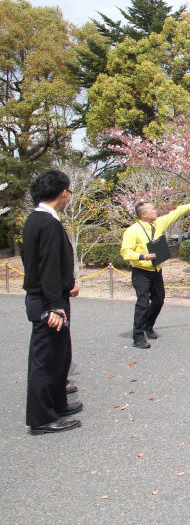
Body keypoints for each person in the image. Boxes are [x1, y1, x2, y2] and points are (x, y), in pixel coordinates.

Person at [22, 170, 81, 435]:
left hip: (50, 297)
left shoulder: (37, 219)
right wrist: (56, 305)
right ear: (62, 193)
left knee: (59, 356)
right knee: (45, 360)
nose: (69, 197)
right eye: (69, 191)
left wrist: (67, 286)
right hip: (47, 302)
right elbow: (47, 269)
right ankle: (41, 418)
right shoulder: (47, 223)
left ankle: (57, 403)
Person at [121, 196, 190, 349]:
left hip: (156, 270)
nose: (155, 211)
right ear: (144, 214)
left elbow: (175, 214)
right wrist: (142, 256)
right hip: (141, 271)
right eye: (152, 209)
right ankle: (138, 336)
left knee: (159, 300)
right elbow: (125, 252)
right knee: (142, 303)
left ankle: (148, 325)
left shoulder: (158, 224)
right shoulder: (132, 231)